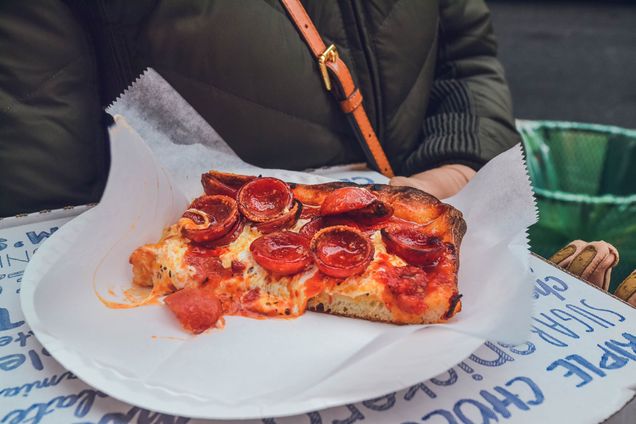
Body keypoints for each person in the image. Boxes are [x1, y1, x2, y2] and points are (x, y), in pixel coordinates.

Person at [0, 0, 519, 217]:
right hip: (190, 317)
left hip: (420, 247)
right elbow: (44, 183)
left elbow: (464, 53)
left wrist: (459, 164)